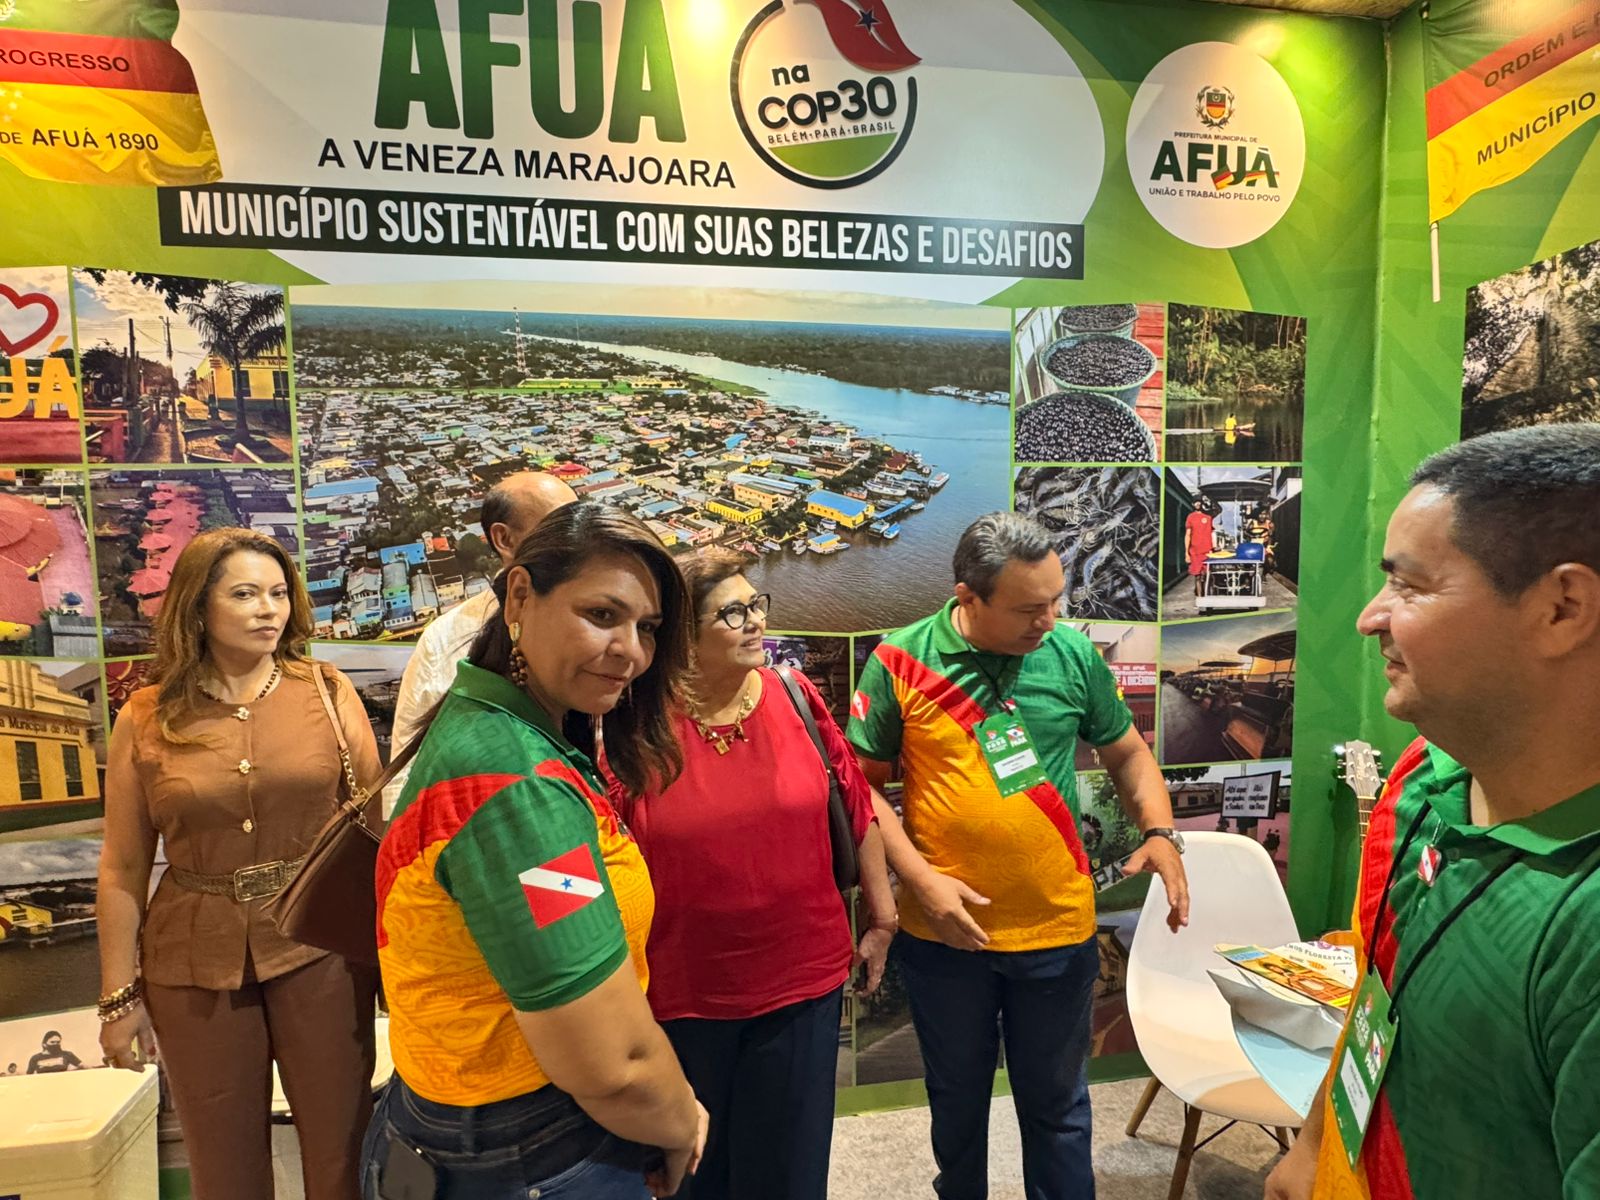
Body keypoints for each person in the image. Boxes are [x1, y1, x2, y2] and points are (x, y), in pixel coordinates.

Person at [1266, 424, 1600, 1200]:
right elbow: (1374, 987)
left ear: (1564, 607)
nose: (1369, 617)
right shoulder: (1423, 776)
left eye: (1409, 586)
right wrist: (1315, 1147)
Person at [366, 501, 707, 1200]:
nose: (633, 652)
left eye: (647, 628)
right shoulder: (517, 790)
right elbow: (610, 1064)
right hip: (530, 1147)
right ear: (520, 596)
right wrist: (681, 1123)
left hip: (469, 1124)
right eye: (603, 615)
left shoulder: (492, 724)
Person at [848, 511, 1190, 1200]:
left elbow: (1127, 753)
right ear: (968, 597)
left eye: (1056, 600)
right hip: (946, 935)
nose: (1049, 620)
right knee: (956, 1102)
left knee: (1058, 1109)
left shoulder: (1070, 654)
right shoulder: (900, 660)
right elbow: (863, 789)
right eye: (1030, 608)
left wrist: (1161, 832)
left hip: (1056, 929)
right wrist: (920, 880)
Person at [97, 527, 380, 1200]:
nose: (268, 610)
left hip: (320, 947)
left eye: (279, 594)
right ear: (198, 607)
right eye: (246, 594)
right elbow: (122, 867)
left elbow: (374, 829)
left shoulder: (327, 691)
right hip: (191, 963)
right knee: (223, 1167)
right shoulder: (146, 715)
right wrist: (117, 998)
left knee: (344, 1153)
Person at [605, 549, 897, 1200]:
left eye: (755, 604)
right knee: (695, 1177)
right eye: (732, 612)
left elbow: (856, 806)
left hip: (803, 986)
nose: (756, 621)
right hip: (681, 999)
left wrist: (884, 917)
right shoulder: (634, 727)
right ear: (683, 636)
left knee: (789, 1176)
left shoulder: (795, 697)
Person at [386, 471, 577, 807]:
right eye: (559, 528)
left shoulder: (592, 628)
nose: (577, 542)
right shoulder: (447, 639)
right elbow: (404, 779)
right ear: (504, 539)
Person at [1186, 496, 1217, 598]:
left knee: (1207, 575)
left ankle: (1208, 597)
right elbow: (1188, 535)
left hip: (1207, 551)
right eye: (1195, 502)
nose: (1198, 504)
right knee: (1198, 576)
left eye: (1199, 502)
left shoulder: (1208, 517)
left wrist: (1213, 547)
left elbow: (1212, 533)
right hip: (1195, 552)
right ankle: (1199, 598)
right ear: (1192, 504)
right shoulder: (1190, 517)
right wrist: (1186, 553)